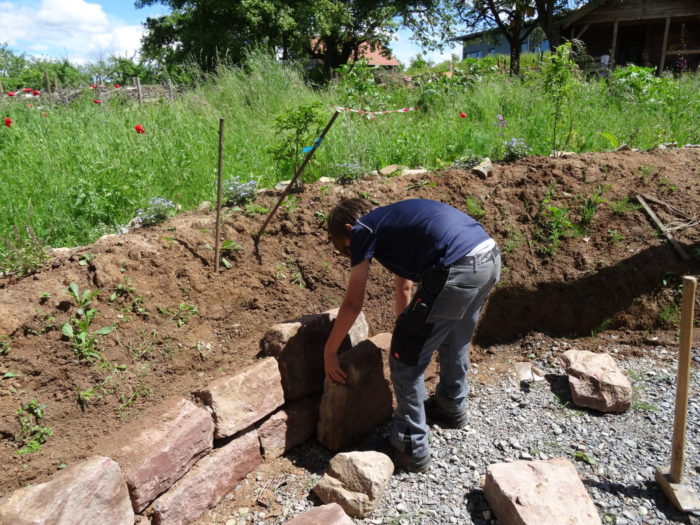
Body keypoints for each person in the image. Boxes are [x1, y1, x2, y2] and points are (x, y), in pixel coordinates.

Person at [323, 197, 500, 473]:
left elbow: (353, 304)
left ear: (348, 228)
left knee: (405, 363)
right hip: (488, 256)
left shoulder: (363, 230)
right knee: (454, 337)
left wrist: (330, 351)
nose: (351, 253)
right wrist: (406, 327)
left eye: (345, 248)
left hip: (457, 268)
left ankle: (410, 447)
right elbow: (403, 287)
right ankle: (451, 407)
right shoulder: (394, 220)